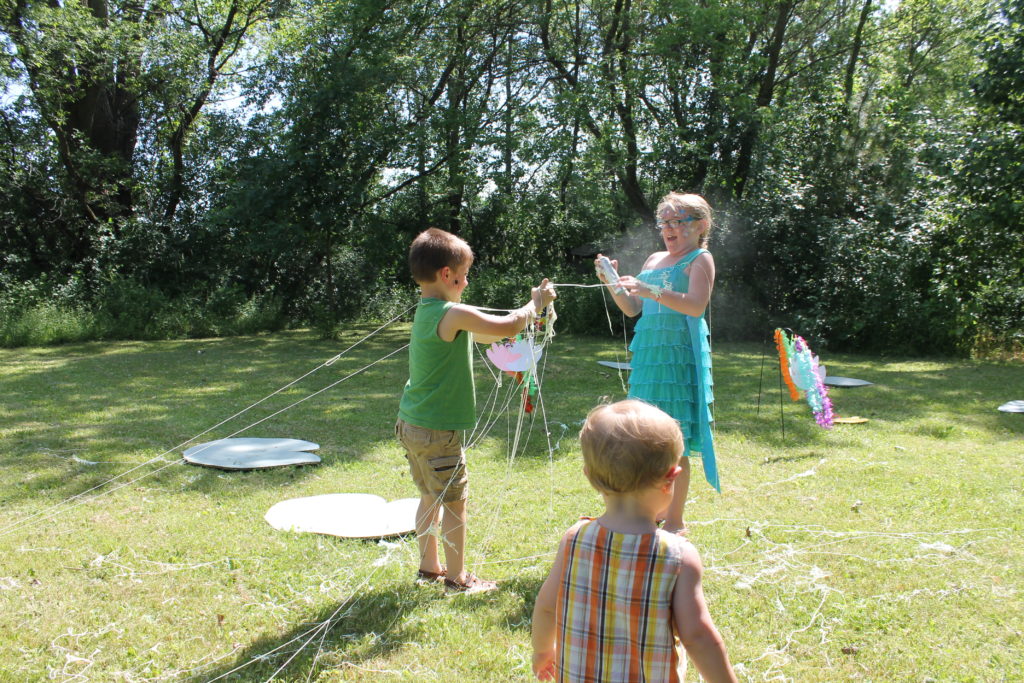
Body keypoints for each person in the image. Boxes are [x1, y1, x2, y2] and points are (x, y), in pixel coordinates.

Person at [397, 227, 556, 594]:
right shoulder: (451, 313)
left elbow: (491, 334)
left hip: (412, 425)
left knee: (429, 497)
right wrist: (537, 303)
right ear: (447, 275)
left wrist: (520, 325)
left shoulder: (428, 312)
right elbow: (507, 324)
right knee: (454, 503)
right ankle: (457, 578)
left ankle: (428, 568)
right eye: (464, 274)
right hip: (438, 430)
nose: (466, 282)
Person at [531, 400, 736, 683]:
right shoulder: (677, 557)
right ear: (671, 479)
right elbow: (697, 636)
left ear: (589, 477)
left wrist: (542, 651)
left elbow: (546, 606)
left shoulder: (574, 539)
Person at [595, 192, 718, 534]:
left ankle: (675, 522)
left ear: (701, 226)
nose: (669, 229)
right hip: (649, 355)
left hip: (677, 356)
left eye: (678, 222)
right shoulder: (652, 260)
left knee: (675, 439)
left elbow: (695, 306)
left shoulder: (699, 259)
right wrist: (612, 282)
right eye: (665, 222)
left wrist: (649, 292)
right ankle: (647, 511)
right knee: (643, 435)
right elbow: (633, 308)